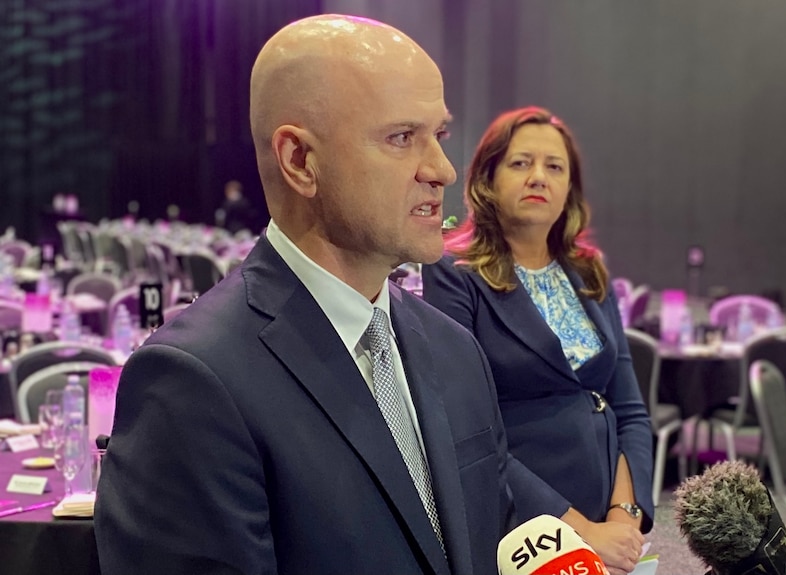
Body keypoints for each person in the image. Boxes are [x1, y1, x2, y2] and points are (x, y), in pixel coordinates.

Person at [94, 16, 572, 575]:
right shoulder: (192, 381)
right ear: (300, 161)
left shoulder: (455, 351)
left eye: (438, 135)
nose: (442, 169)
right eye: (401, 138)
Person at [422, 106, 653, 575]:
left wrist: (622, 516)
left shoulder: (589, 271)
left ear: (569, 188)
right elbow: (468, 432)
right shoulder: (453, 273)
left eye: (554, 167)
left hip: (605, 510)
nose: (538, 178)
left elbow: (628, 406)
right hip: (522, 521)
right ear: (488, 178)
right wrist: (582, 533)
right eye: (520, 163)